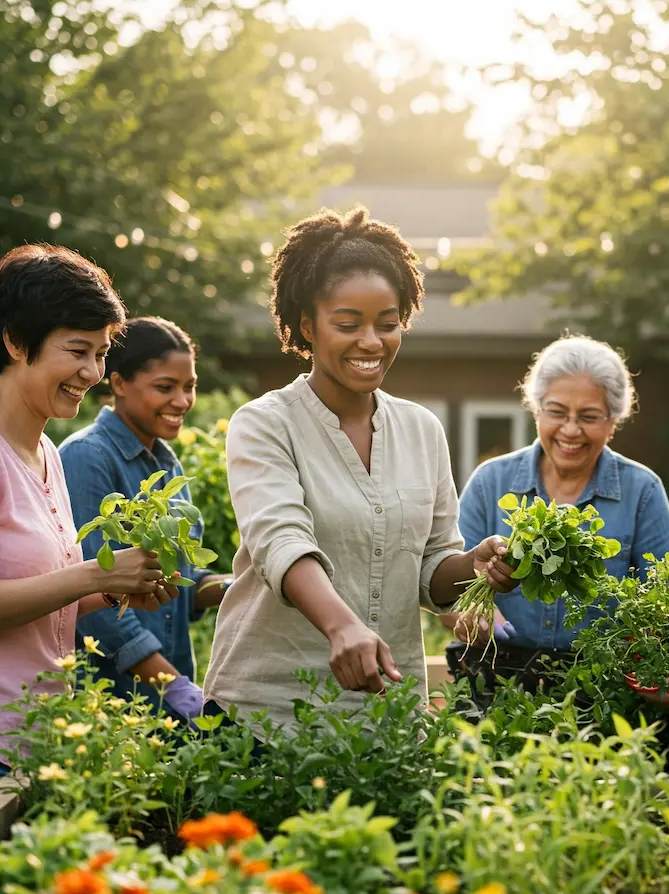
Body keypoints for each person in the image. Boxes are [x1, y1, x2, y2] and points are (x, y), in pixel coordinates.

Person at [202, 207, 515, 730]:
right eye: (348, 324)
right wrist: (342, 627)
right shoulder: (264, 425)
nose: (371, 341)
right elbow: (280, 542)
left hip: (386, 716)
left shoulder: (422, 430)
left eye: (387, 325)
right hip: (269, 713)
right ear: (308, 325)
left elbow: (432, 569)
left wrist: (473, 568)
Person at [0, 245, 178, 805]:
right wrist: (89, 576)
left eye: (102, 352)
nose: (93, 372)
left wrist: (110, 589)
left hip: (38, 737)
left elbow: (34, 599)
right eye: (77, 350)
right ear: (14, 342)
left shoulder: (46, 452)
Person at [443, 333, 669, 777]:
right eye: (556, 412)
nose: (570, 430)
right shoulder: (491, 482)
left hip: (606, 696)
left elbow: (666, 602)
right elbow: (447, 588)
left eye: (588, 416)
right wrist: (472, 616)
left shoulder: (641, 490)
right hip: (499, 683)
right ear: (536, 409)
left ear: (613, 421)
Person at [59, 317, 234, 719]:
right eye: (165, 387)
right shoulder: (88, 457)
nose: (182, 401)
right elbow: (91, 593)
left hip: (167, 700)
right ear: (118, 383)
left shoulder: (165, 464)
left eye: (189, 387)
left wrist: (239, 586)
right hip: (112, 706)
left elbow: (176, 585)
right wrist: (176, 690)